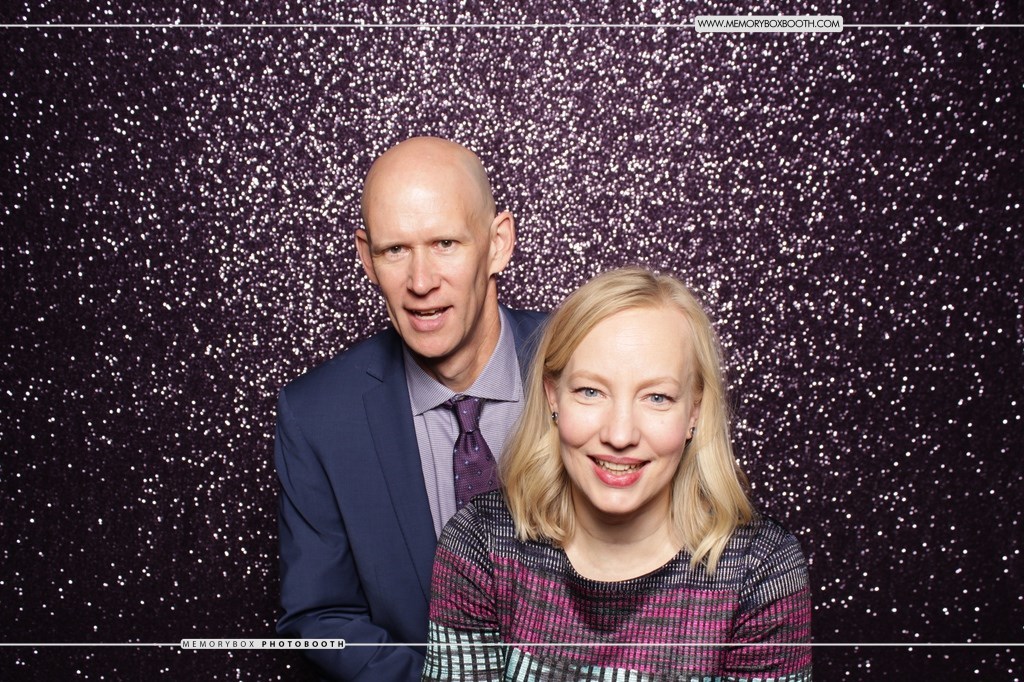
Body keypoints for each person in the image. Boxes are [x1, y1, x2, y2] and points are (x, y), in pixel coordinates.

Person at [423, 267, 812, 681]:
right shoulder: (482, 543)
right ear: (553, 397)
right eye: (591, 392)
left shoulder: (760, 570)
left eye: (657, 397)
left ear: (694, 412)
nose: (620, 435)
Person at [275, 136, 546, 681]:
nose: (421, 282)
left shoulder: (585, 365)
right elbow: (320, 617)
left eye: (445, 243)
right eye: (395, 250)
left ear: (498, 244)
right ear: (366, 258)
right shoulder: (318, 417)